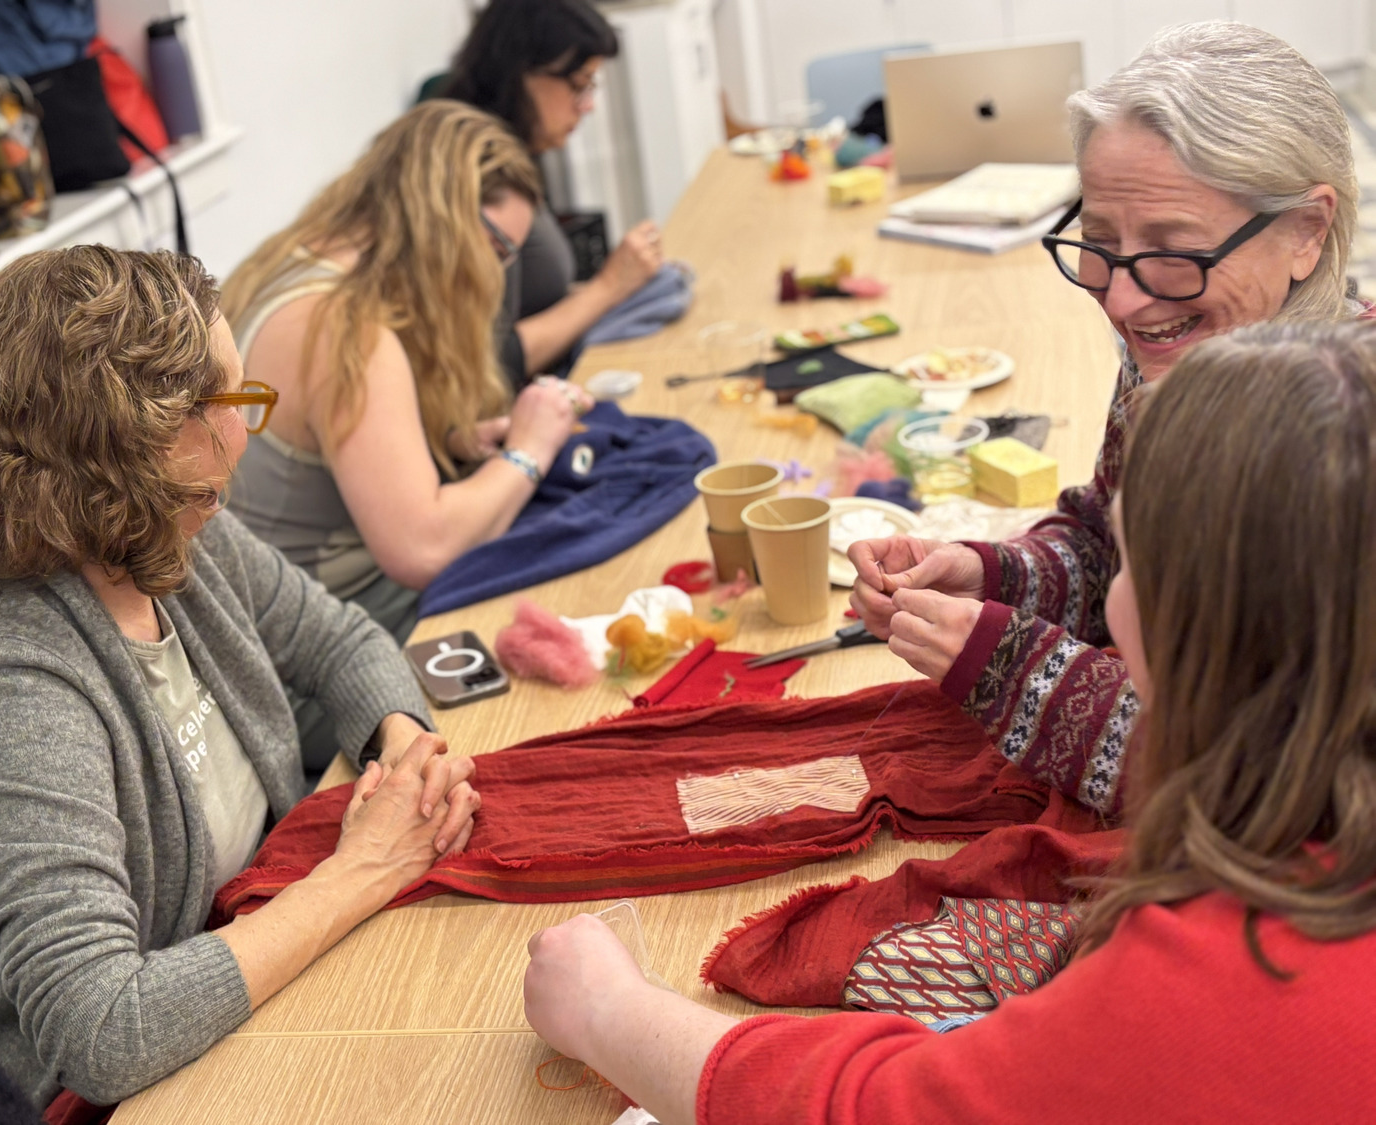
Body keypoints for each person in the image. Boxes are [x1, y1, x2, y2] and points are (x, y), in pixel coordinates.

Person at [522, 318, 1376, 1123]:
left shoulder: (1218, 968)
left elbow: (877, 1107)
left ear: (1209, 626)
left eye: (1133, 563)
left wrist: (611, 1012)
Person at [0, 246, 480, 1109]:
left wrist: (403, 748)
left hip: (236, 996)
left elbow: (343, 642)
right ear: (118, 444)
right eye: (223, 403)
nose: (245, 432)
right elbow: (103, 1032)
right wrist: (365, 868)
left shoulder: (170, 532)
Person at [848, 21, 1367, 816]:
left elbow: (1273, 793)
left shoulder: (1343, 445)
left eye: (1175, 251)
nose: (1122, 301)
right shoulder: (1186, 356)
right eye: (1099, 244)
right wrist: (992, 576)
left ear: (1306, 231)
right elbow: (1109, 541)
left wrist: (1004, 664)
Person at [221, 100, 591, 650]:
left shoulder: (286, 263)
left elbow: (315, 459)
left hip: (264, 626)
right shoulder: (344, 332)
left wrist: (451, 440)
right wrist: (531, 448)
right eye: (495, 250)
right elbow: (424, 549)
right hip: (312, 648)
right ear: (445, 220)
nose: (495, 275)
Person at [443, 0, 666, 381]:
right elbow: (491, 366)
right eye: (579, 85)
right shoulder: (480, 178)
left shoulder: (512, 150)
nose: (588, 105)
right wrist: (608, 287)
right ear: (517, 72)